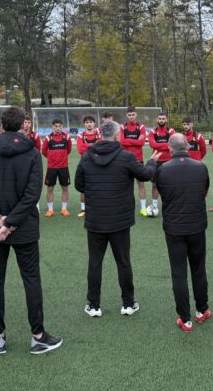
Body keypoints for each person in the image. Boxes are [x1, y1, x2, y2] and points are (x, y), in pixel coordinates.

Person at [0, 106, 62, 355]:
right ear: (22, 125)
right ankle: (37, 336)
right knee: (30, 279)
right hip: (17, 227)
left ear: (1, 125)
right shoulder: (30, 153)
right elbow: (31, 195)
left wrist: (2, 221)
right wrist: (4, 220)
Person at [75, 121, 159, 318]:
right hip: (119, 221)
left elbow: (79, 185)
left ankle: (93, 305)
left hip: (96, 219)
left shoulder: (87, 157)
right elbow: (145, 175)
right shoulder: (125, 157)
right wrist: (152, 162)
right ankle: (128, 303)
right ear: (115, 135)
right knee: (123, 262)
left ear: (100, 135)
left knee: (95, 263)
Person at [155, 133, 211, 332]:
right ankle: (201, 310)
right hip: (196, 226)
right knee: (198, 269)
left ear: (170, 149)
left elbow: (163, 194)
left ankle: (185, 318)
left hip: (175, 227)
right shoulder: (200, 167)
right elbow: (204, 192)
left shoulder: (162, 169)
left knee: (179, 272)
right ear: (187, 146)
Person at [120, 106, 148, 215]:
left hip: (138, 160)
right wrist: (135, 140)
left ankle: (143, 208)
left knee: (141, 184)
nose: (131, 117)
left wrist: (128, 140)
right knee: (124, 185)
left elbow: (142, 142)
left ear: (136, 115)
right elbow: (122, 141)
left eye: (133, 115)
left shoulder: (141, 127)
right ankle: (125, 207)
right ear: (127, 115)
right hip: (125, 159)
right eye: (129, 115)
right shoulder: (122, 127)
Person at [41, 118, 72, 217]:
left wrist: (62, 157)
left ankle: (64, 209)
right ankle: (50, 210)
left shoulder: (66, 137)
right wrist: (51, 158)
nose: (58, 128)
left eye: (59, 126)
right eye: (56, 126)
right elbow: (44, 151)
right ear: (52, 127)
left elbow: (69, 150)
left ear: (62, 126)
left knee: (65, 188)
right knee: (50, 188)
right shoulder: (48, 138)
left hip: (64, 167)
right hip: (51, 168)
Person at [148, 112, 176, 215]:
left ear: (166, 120)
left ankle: (170, 205)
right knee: (155, 185)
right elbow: (152, 145)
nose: (161, 120)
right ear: (157, 120)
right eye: (159, 118)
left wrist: (158, 145)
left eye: (163, 118)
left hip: (169, 161)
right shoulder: (152, 131)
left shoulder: (171, 131)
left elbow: (171, 144)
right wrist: (166, 145)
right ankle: (154, 206)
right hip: (156, 161)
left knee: (170, 184)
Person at [76, 115, 101, 217]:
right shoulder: (80, 136)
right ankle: (83, 209)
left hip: (97, 164)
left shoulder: (99, 135)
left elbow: (100, 148)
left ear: (94, 123)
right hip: (84, 164)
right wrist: (94, 146)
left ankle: (97, 207)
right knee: (84, 188)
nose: (89, 124)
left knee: (98, 187)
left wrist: (86, 145)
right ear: (84, 124)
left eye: (91, 122)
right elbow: (80, 149)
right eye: (87, 122)